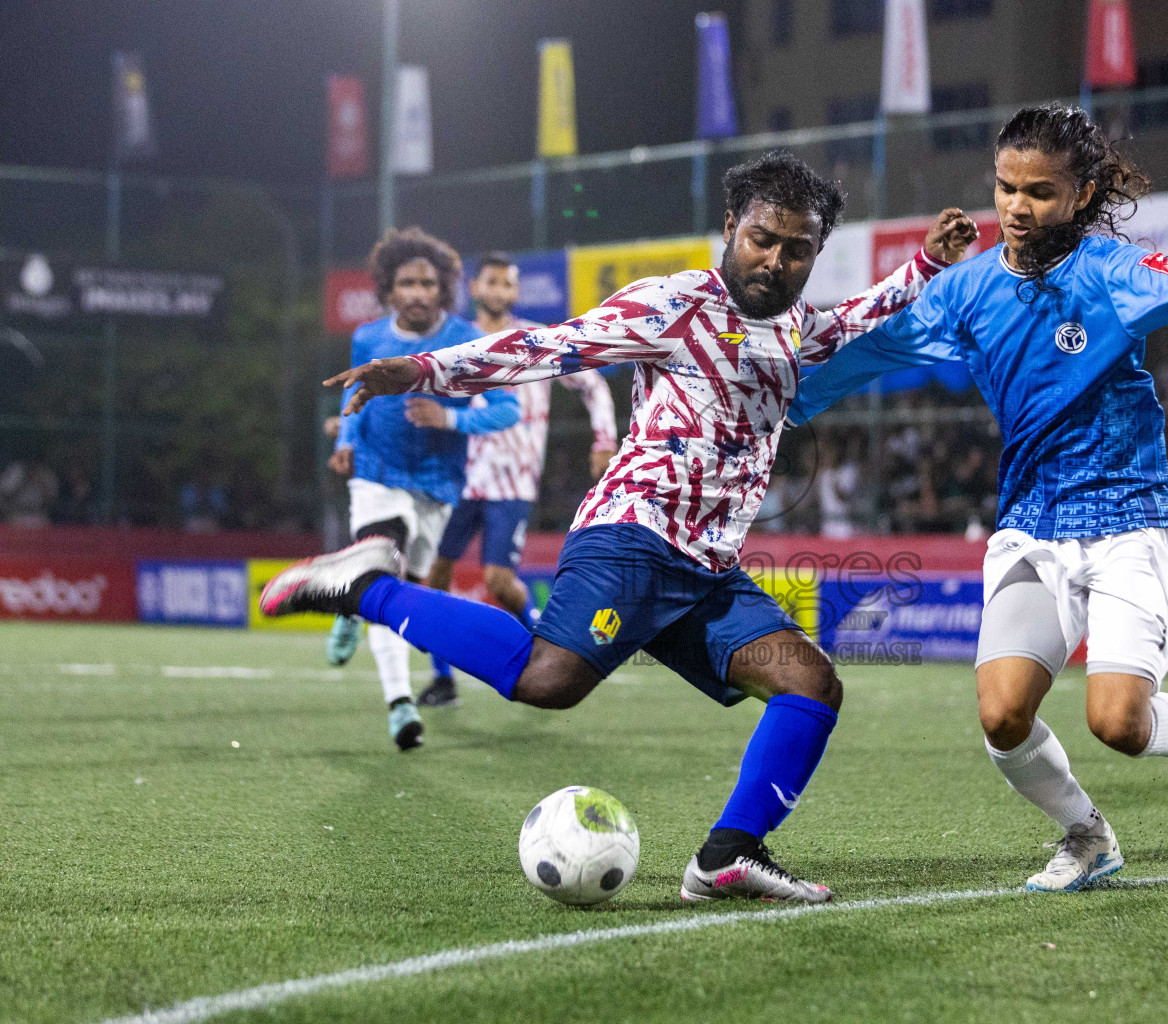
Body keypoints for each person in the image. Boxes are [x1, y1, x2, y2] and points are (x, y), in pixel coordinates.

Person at [261, 151, 978, 902]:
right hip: (631, 535)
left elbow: (857, 317)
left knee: (810, 684)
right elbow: (545, 348)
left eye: (797, 249)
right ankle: (365, 583)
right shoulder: (673, 305)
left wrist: (926, 263)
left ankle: (727, 855)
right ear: (731, 228)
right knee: (545, 681)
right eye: (762, 239)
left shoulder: (799, 328)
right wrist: (421, 370)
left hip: (706, 569)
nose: (776, 260)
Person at [786, 104, 1168, 892]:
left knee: (1118, 723)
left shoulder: (1114, 273)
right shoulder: (968, 291)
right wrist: (782, 402)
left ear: (1081, 194)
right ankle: (1087, 835)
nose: (1014, 206)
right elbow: (874, 353)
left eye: (1038, 191)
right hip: (1030, 529)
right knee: (1001, 715)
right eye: (1005, 187)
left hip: (1128, 523)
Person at [324, 227, 522, 750]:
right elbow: (355, 400)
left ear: (443, 291)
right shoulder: (368, 337)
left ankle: (350, 605)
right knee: (379, 566)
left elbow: (508, 409)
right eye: (406, 282)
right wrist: (345, 438)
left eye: (426, 283)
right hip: (375, 473)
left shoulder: (464, 339)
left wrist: (450, 419)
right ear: (389, 289)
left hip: (436, 484)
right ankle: (400, 705)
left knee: (397, 590)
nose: (416, 292)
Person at [416, 254, 619, 708]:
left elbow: (593, 385)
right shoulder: (458, 341)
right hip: (459, 478)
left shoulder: (533, 341)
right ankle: (442, 679)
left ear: (515, 292)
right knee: (435, 575)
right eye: (492, 281)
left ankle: (547, 657)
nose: (500, 290)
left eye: (508, 284)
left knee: (499, 581)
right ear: (475, 286)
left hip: (513, 480)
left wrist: (604, 438)